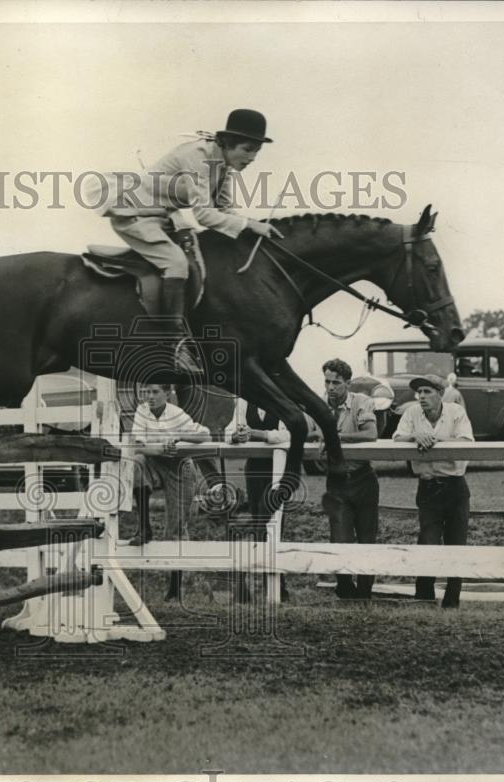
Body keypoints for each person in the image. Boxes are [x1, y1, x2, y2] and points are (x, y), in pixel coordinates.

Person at [91, 109, 282, 372]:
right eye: (247, 150)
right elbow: (203, 214)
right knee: (177, 265)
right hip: (135, 215)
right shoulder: (198, 158)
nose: (251, 158)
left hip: (162, 216)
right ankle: (174, 345)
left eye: (256, 152)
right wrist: (249, 225)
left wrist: (253, 228)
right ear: (227, 143)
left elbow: (224, 210)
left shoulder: (224, 164)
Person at [392, 373, 475, 608]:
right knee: (427, 541)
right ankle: (424, 596)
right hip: (428, 487)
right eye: (419, 392)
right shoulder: (412, 413)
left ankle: (452, 600)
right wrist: (415, 436)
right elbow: (397, 438)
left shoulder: (456, 412)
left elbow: (467, 442)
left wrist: (435, 440)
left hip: (455, 486)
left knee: (456, 544)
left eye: (427, 392)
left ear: (441, 394)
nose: (421, 397)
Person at [129, 383, 212, 601]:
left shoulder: (176, 413)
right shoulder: (142, 411)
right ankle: (143, 527)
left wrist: (177, 438)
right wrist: (158, 448)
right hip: (155, 462)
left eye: (155, 392)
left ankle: (174, 589)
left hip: (179, 468)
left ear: (167, 394)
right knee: (136, 463)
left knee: (175, 528)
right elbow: (136, 445)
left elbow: (206, 435)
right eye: (147, 392)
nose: (150, 396)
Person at [320, 359, 380, 599]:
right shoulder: (318, 404)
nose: (331, 387)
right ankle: (345, 588)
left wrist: (336, 437)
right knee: (340, 536)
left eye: (336, 382)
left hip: (363, 477)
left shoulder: (361, 402)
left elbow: (371, 433)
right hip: (335, 481)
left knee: (367, 537)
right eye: (327, 381)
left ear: (348, 383)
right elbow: (310, 432)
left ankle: (365, 592)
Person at [224, 398, 291, 603]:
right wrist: (236, 435)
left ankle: (276, 585)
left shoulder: (283, 399)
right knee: (258, 524)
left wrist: (259, 434)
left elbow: (289, 433)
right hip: (254, 469)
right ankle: (259, 586)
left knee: (273, 524)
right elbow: (229, 430)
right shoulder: (244, 401)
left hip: (278, 469)